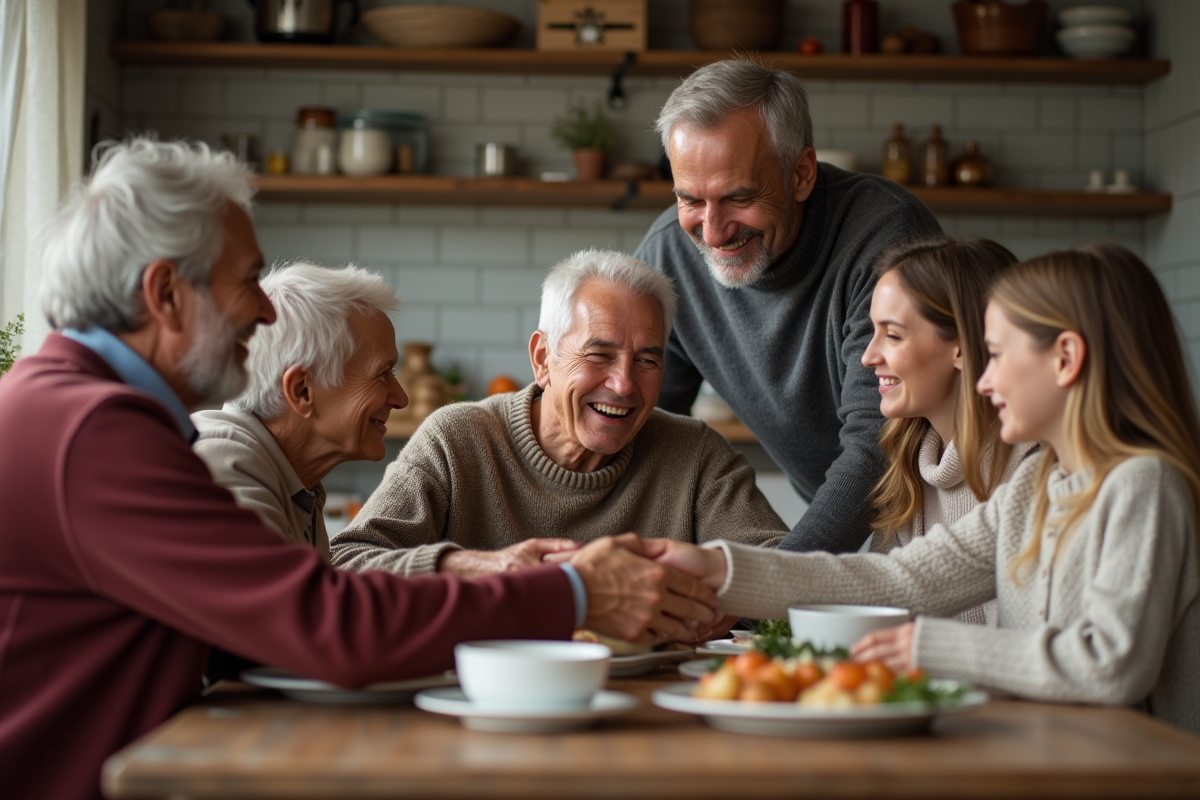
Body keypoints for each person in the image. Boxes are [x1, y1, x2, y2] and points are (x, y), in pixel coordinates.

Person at [0, 139, 718, 800]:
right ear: (164, 294)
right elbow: (326, 624)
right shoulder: (93, 432)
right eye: (248, 279)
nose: (261, 310)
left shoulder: (79, 412)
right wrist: (573, 590)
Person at [650, 244, 1200, 733]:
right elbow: (903, 579)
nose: (985, 381)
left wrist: (923, 646)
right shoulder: (1037, 485)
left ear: (1066, 359)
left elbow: (1110, 666)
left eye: (1000, 355)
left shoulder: (1142, 485)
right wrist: (721, 570)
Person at [633, 58, 942, 554]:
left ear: (800, 174)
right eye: (690, 199)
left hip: (933, 514)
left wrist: (771, 588)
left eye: (738, 198)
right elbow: (640, 425)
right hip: (830, 518)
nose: (711, 233)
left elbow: (878, 445)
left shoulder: (887, 236)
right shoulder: (669, 254)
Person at [330, 248, 788, 579]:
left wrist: (723, 589)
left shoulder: (695, 455)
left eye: (647, 360)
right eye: (599, 355)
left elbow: (786, 576)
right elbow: (347, 564)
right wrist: (479, 567)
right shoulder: (457, 439)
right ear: (543, 358)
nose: (625, 384)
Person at [862, 236, 1035, 625]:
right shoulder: (908, 470)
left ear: (962, 346)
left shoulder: (1036, 468)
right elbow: (877, 603)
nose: (868, 356)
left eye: (892, 335)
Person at [193, 262, 407, 563]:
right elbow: (290, 605)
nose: (401, 398)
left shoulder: (297, 487)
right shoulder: (222, 466)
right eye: (382, 374)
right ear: (302, 391)